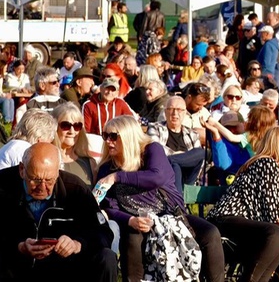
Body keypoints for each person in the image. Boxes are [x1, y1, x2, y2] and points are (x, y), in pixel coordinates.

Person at [95, 115, 225, 282]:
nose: (108, 141)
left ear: (128, 136)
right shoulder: (107, 168)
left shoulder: (151, 150)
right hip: (138, 221)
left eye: (113, 136)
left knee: (210, 233)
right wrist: (130, 220)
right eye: (105, 135)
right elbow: (108, 207)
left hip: (172, 216)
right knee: (133, 236)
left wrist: (117, 177)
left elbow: (157, 177)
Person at [207, 126, 279, 282]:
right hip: (225, 221)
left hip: (235, 223)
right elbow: (277, 215)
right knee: (276, 233)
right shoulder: (267, 163)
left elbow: (274, 216)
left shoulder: (266, 165)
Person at [0, 142, 116, 281]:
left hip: (62, 267)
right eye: (35, 180)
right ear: (22, 170)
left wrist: (77, 244)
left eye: (49, 180)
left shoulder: (75, 189)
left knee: (106, 257)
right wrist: (19, 246)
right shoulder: (3, 185)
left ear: (57, 172)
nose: (42, 187)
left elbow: (103, 233)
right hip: (13, 266)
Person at [147, 96, 206, 194]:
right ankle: (178, 200)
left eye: (179, 110)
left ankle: (173, 161)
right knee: (175, 165)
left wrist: (174, 157)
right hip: (165, 175)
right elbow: (156, 150)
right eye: (171, 109)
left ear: (185, 113)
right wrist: (183, 156)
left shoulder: (192, 134)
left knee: (201, 152)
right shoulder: (155, 128)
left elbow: (198, 160)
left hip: (187, 177)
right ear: (165, 112)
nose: (175, 113)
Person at [53, 103, 98, 186]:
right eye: (66, 125)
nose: (72, 131)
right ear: (54, 127)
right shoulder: (46, 161)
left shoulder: (90, 163)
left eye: (77, 126)